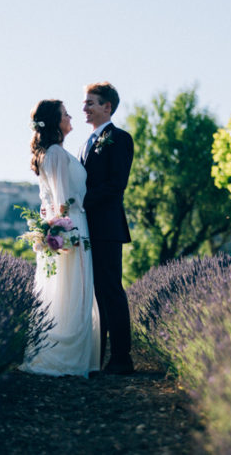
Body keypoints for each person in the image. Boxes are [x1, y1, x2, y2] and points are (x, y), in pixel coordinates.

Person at [19, 99, 101, 378]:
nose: (70, 117)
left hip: (68, 224)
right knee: (71, 288)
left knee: (68, 289)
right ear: (56, 122)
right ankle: (64, 356)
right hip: (71, 226)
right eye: (65, 114)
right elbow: (62, 199)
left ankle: (69, 353)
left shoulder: (54, 152)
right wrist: (67, 234)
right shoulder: (54, 153)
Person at [80, 82, 135, 375]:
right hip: (86, 229)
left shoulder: (120, 138)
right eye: (84, 103)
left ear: (107, 107)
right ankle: (97, 357)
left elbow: (116, 185)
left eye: (90, 103)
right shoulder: (86, 143)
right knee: (94, 294)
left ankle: (122, 358)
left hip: (108, 228)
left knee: (111, 291)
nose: (84, 108)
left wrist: (81, 203)